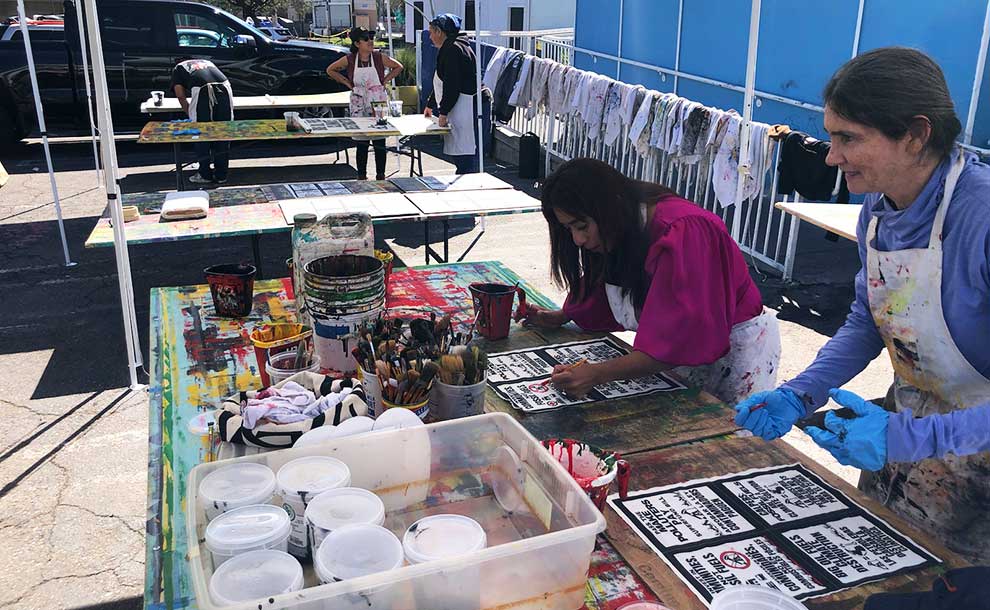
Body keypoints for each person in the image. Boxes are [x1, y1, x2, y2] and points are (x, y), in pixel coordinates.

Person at [733, 47, 990, 563]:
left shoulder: (980, 219)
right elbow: (870, 321)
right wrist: (800, 393)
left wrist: (919, 437)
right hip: (907, 425)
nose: (831, 157)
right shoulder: (876, 206)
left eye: (848, 138)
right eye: (831, 136)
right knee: (875, 562)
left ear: (916, 135)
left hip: (974, 451)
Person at [517, 158, 781, 406]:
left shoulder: (684, 230)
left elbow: (680, 338)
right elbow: (609, 283)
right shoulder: (624, 222)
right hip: (680, 355)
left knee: (730, 442)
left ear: (608, 208)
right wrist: (563, 315)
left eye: (582, 226)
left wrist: (597, 373)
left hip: (736, 354)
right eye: (568, 229)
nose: (577, 240)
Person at [325, 27, 403, 180]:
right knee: (362, 141)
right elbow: (331, 70)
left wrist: (384, 81)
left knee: (380, 140)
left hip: (378, 100)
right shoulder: (349, 59)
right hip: (359, 100)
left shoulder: (379, 57)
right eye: (366, 39)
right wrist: (347, 83)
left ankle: (381, 175)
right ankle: (361, 176)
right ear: (357, 43)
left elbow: (398, 67)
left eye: (371, 38)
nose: (370, 41)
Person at [424, 13, 478, 174]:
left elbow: (452, 85)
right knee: (461, 155)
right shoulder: (452, 46)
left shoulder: (453, 49)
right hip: (458, 106)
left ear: (439, 32)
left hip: (464, 107)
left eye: (431, 33)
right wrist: (430, 104)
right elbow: (442, 80)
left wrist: (443, 112)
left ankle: (466, 186)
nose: (430, 37)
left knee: (464, 155)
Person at [170, 58, 233, 185]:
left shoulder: (178, 68)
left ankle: (205, 174)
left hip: (203, 89)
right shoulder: (206, 61)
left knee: (201, 132)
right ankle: (221, 175)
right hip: (225, 87)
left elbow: (180, 95)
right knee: (222, 131)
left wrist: (191, 115)